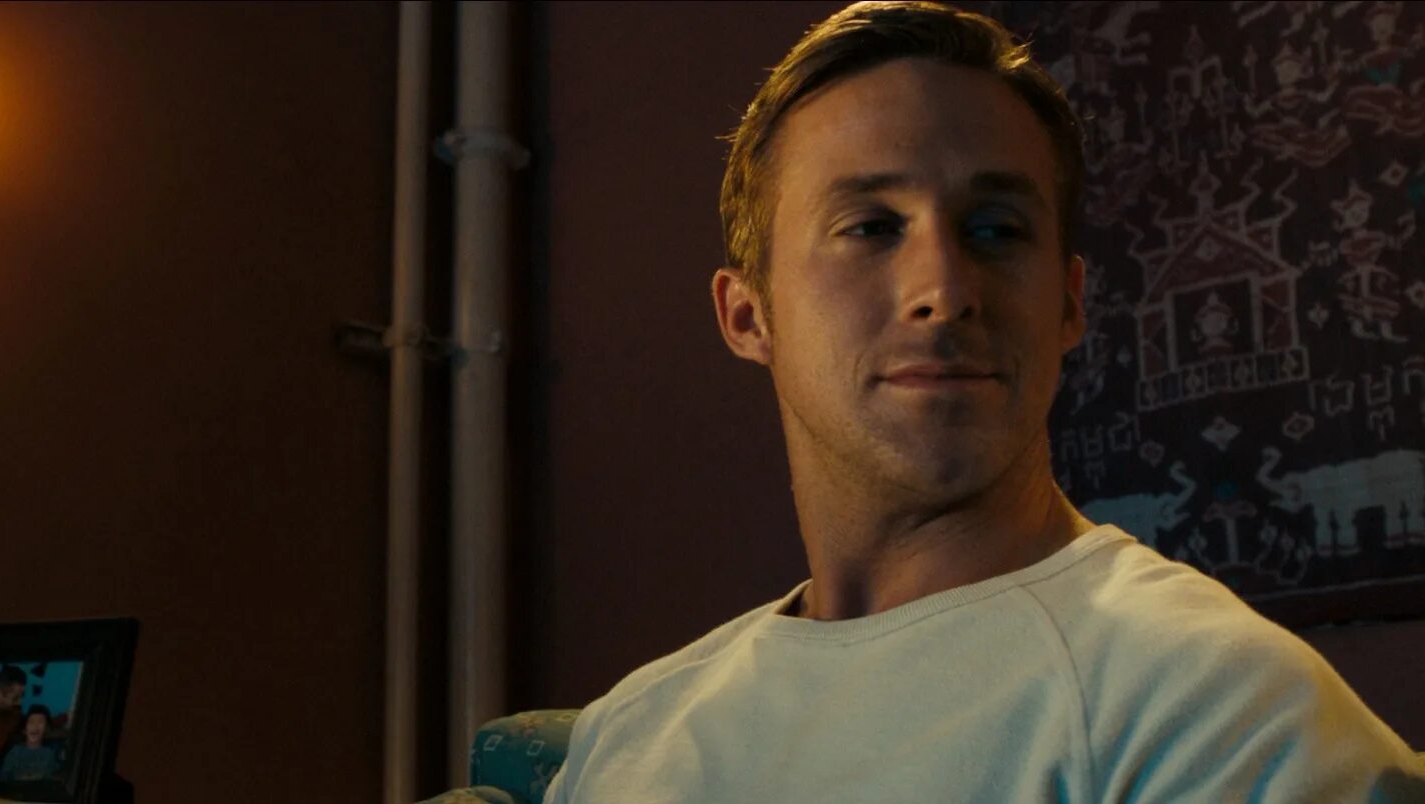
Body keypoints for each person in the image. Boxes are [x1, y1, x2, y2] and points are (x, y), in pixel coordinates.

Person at [543, 2, 1425, 801]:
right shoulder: (630, 738)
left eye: (997, 231)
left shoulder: (1218, 712)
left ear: (1069, 304)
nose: (945, 290)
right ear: (748, 314)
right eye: (871, 227)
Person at [0, 705, 64, 782]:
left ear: (46, 728)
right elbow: (3, 778)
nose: (35, 726)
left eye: (40, 722)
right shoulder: (15, 752)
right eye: (31, 722)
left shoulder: (49, 754)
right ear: (25, 729)